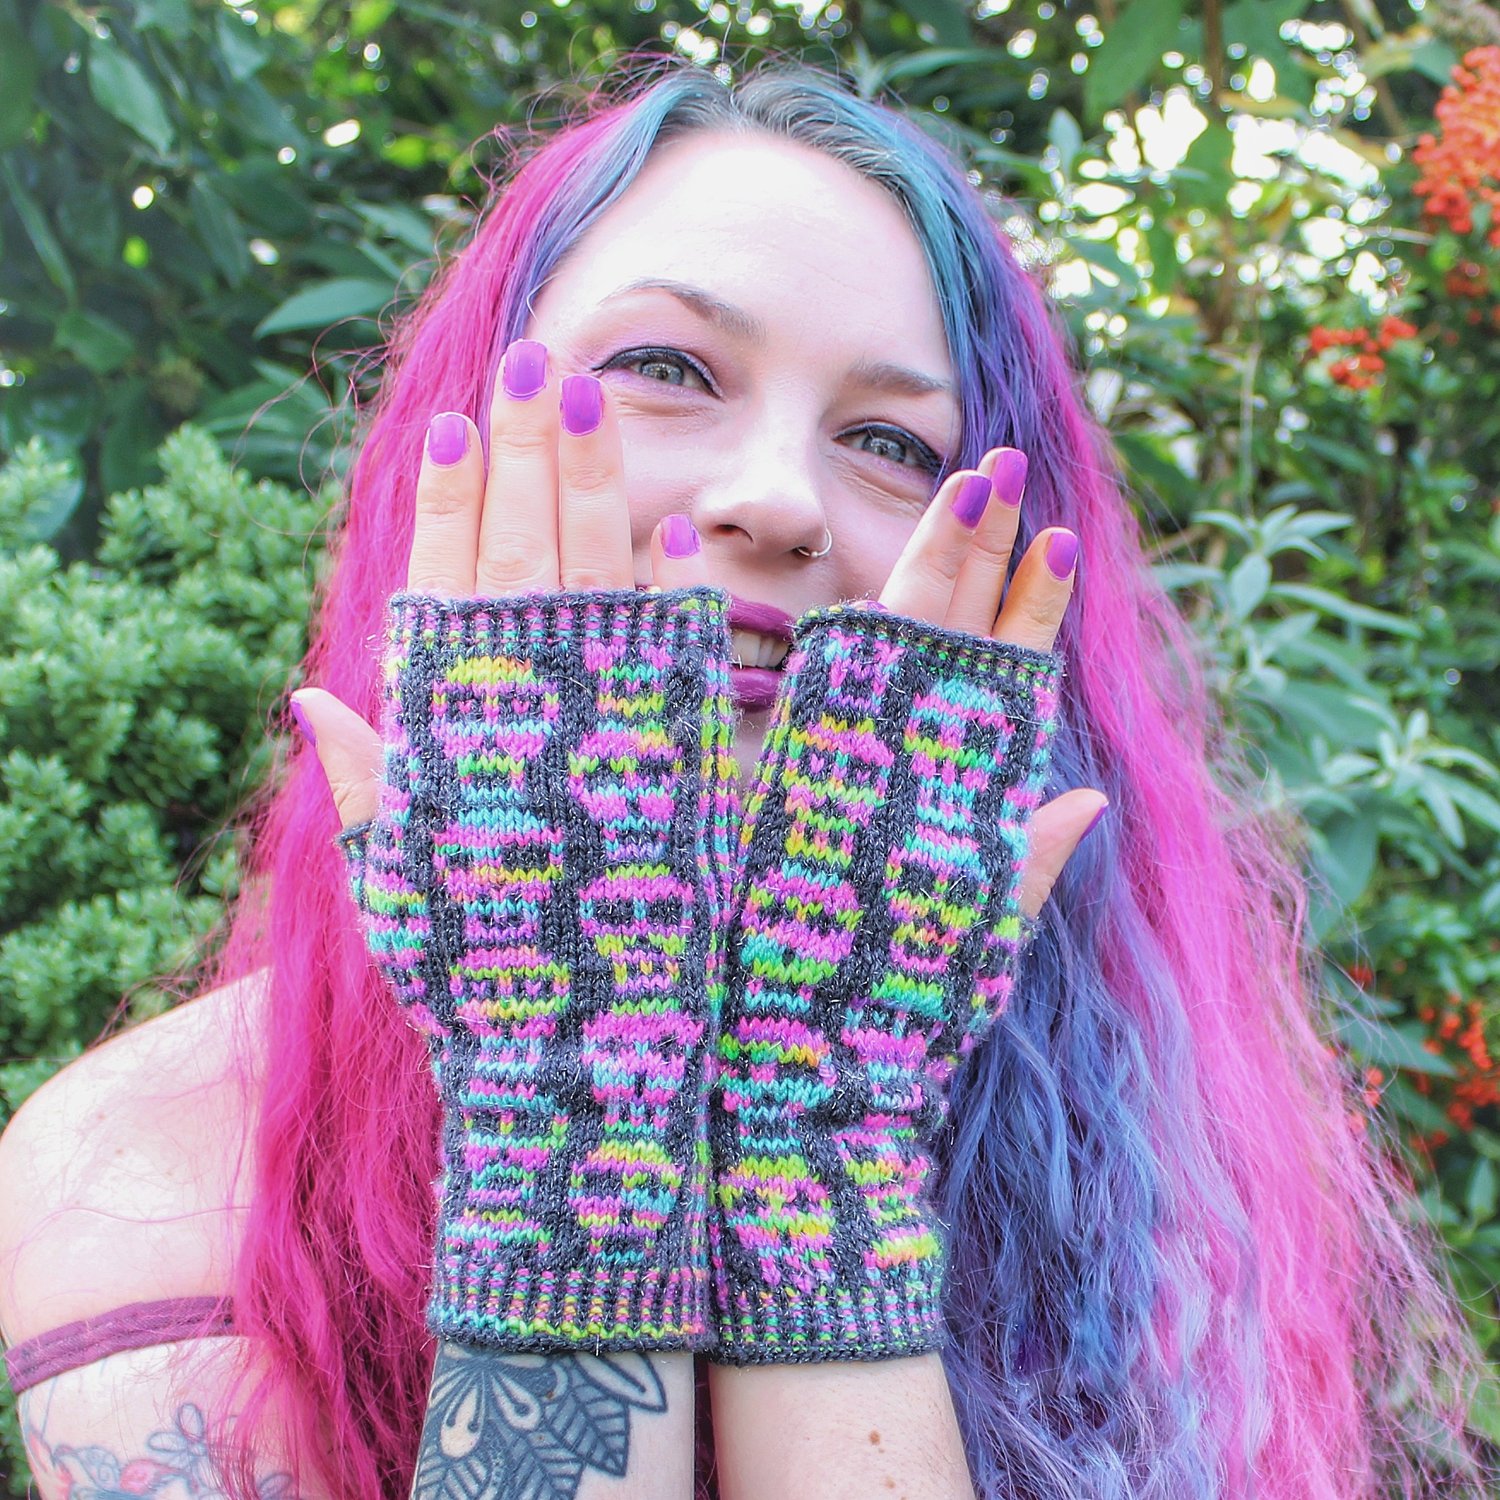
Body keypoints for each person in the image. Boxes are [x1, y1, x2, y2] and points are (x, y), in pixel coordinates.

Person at [0, 57, 1491, 1500]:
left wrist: (816, 1124)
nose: (780, 501)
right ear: (460, 445)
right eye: (665, 369)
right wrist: (572, 1087)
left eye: (892, 441)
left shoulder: (1144, 1172)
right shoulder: (146, 1165)